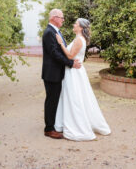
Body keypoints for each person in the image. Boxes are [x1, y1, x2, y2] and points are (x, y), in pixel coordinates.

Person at [55, 18, 111, 141]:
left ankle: (78, 126)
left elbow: (70, 56)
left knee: (75, 98)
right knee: (75, 97)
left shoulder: (79, 40)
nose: (73, 25)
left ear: (80, 27)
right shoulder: (79, 39)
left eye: (75, 23)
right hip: (74, 71)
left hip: (74, 72)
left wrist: (60, 44)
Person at [42, 9, 81, 139]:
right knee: (51, 100)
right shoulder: (49, 33)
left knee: (55, 100)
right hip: (51, 73)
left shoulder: (55, 31)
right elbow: (54, 54)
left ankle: (53, 125)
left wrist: (70, 59)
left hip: (57, 72)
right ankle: (49, 129)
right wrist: (70, 63)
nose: (63, 20)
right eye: (61, 18)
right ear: (54, 18)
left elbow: (61, 51)